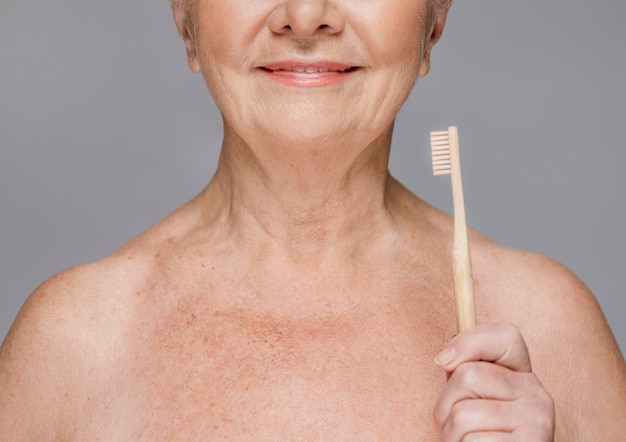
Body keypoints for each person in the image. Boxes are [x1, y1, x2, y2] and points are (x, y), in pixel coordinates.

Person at [1, 0, 625, 439]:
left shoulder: (551, 326)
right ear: (183, 18)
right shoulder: (70, 345)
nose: (304, 15)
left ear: (435, 20)